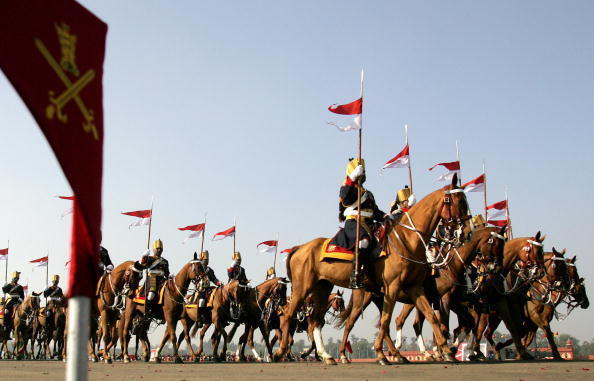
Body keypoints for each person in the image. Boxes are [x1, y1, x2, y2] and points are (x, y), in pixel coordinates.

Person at [338, 158, 388, 288]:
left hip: (369, 223)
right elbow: (345, 198)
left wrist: (385, 216)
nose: (362, 174)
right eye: (360, 172)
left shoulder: (368, 194)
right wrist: (352, 178)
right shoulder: (347, 188)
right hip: (354, 222)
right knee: (364, 241)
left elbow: (375, 211)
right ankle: (356, 275)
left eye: (363, 172)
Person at [141, 239, 170, 317]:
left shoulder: (165, 261)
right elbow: (142, 266)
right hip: (152, 278)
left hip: (162, 279)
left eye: (161, 249)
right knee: (151, 294)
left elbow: (167, 272)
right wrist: (144, 257)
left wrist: (170, 276)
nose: (159, 250)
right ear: (154, 249)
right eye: (157, 248)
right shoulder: (149, 259)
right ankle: (148, 310)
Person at [195, 250, 220, 327]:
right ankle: (199, 318)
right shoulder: (198, 269)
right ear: (202, 260)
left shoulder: (209, 270)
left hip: (209, 288)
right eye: (206, 259)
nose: (207, 261)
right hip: (200, 289)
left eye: (208, 259)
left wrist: (218, 283)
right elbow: (194, 278)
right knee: (202, 301)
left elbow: (214, 279)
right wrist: (198, 277)